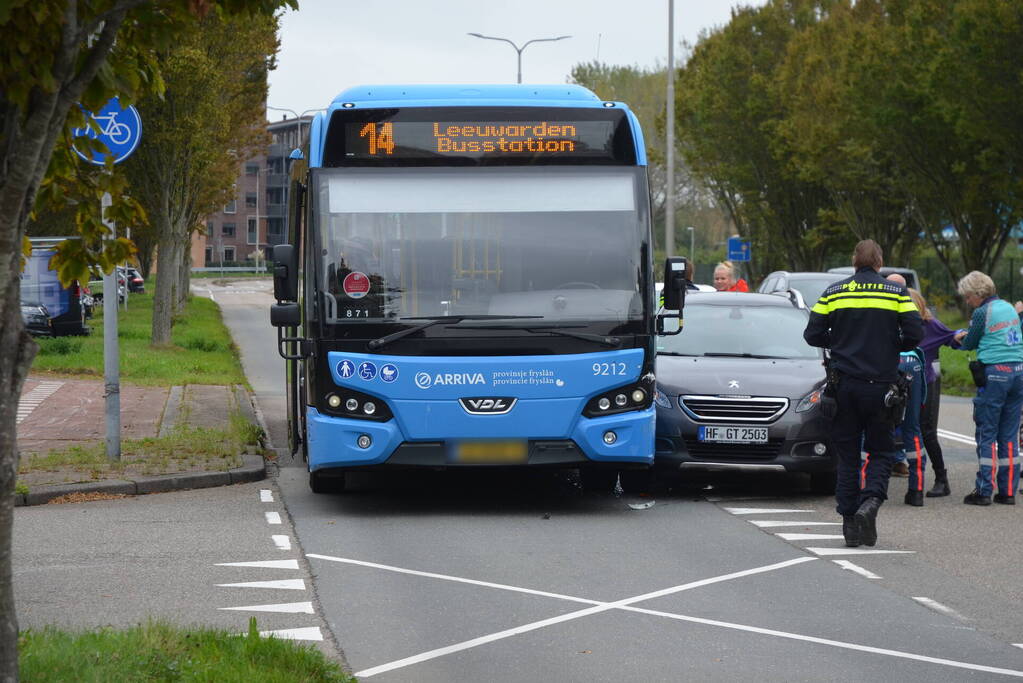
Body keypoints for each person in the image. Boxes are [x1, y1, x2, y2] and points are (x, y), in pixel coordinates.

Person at [804, 239, 923, 547]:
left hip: (843, 386)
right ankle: (870, 505)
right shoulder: (896, 292)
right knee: (881, 452)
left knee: (847, 457)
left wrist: (841, 341)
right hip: (882, 387)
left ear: (854, 261)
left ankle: (849, 523)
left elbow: (812, 334)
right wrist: (888, 345)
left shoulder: (833, 292)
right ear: (879, 262)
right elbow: (914, 334)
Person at [953, 271, 1023, 505]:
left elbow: (970, 342)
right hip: (1018, 371)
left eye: (968, 296)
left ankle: (983, 490)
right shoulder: (1009, 308)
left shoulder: (983, 312)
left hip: (995, 373)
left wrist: (961, 338)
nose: (967, 301)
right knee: (1009, 434)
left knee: (986, 432)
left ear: (977, 293)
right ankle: (1008, 492)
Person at [910, 287, 960, 497]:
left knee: (926, 431)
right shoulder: (889, 323)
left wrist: (962, 335)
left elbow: (953, 337)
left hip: (924, 384)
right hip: (897, 384)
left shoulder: (930, 325)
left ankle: (941, 479)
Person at [895, 346, 927, 505]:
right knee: (912, 428)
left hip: (885, 358)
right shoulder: (914, 319)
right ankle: (917, 491)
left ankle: (865, 490)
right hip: (912, 360)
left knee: (874, 425)